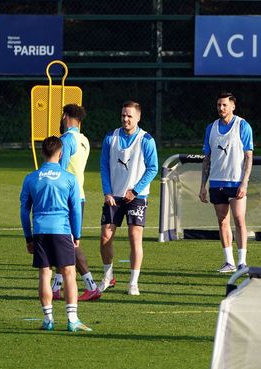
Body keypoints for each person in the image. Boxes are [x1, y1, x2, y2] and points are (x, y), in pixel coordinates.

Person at [20, 136, 92, 332]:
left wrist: (29, 237)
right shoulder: (69, 178)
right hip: (62, 230)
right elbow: (76, 209)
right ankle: (72, 320)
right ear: (61, 154)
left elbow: (24, 211)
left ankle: (48, 319)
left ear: (43, 153)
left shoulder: (31, 178)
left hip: (41, 231)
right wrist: (76, 234)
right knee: (69, 273)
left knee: (44, 274)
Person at [98, 101, 158, 295]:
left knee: (135, 237)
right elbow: (104, 166)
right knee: (105, 237)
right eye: (123, 115)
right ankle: (108, 276)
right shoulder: (110, 137)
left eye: (129, 116)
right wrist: (107, 191)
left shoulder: (146, 139)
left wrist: (136, 190)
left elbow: (153, 168)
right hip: (113, 196)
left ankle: (133, 282)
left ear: (138, 117)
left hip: (137, 197)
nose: (125, 118)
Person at [50, 104, 102, 302]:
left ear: (64, 116)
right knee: (63, 241)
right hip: (78, 195)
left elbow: (59, 171)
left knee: (69, 244)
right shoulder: (84, 140)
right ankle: (56, 287)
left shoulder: (65, 140)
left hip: (66, 197)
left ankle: (91, 285)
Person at [199, 92, 254, 273]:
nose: (221, 108)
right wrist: (203, 185)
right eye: (218, 105)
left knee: (239, 220)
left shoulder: (242, 126)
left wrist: (244, 183)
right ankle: (229, 262)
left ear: (233, 106)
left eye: (224, 105)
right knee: (222, 221)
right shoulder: (211, 128)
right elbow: (207, 158)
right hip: (216, 182)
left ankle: (242, 262)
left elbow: (248, 156)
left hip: (236, 182)